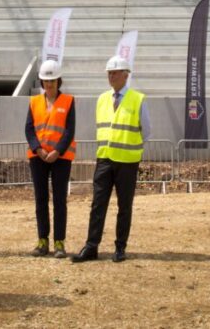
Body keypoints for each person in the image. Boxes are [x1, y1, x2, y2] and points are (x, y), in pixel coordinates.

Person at [72, 55, 150, 264]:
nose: (112, 76)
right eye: (109, 73)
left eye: (115, 72)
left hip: (127, 162)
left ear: (126, 75)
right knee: (98, 204)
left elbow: (146, 131)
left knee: (124, 206)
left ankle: (120, 248)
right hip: (104, 159)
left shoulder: (138, 99)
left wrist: (130, 147)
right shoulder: (102, 99)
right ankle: (91, 246)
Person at [25, 59, 76, 259]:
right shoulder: (34, 102)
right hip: (38, 157)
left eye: (52, 80)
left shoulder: (69, 101)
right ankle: (42, 240)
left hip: (61, 158)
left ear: (58, 81)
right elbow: (29, 129)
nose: (49, 84)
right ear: (41, 82)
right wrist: (38, 149)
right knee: (41, 199)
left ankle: (59, 242)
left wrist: (57, 151)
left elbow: (70, 130)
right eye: (46, 81)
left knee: (59, 200)